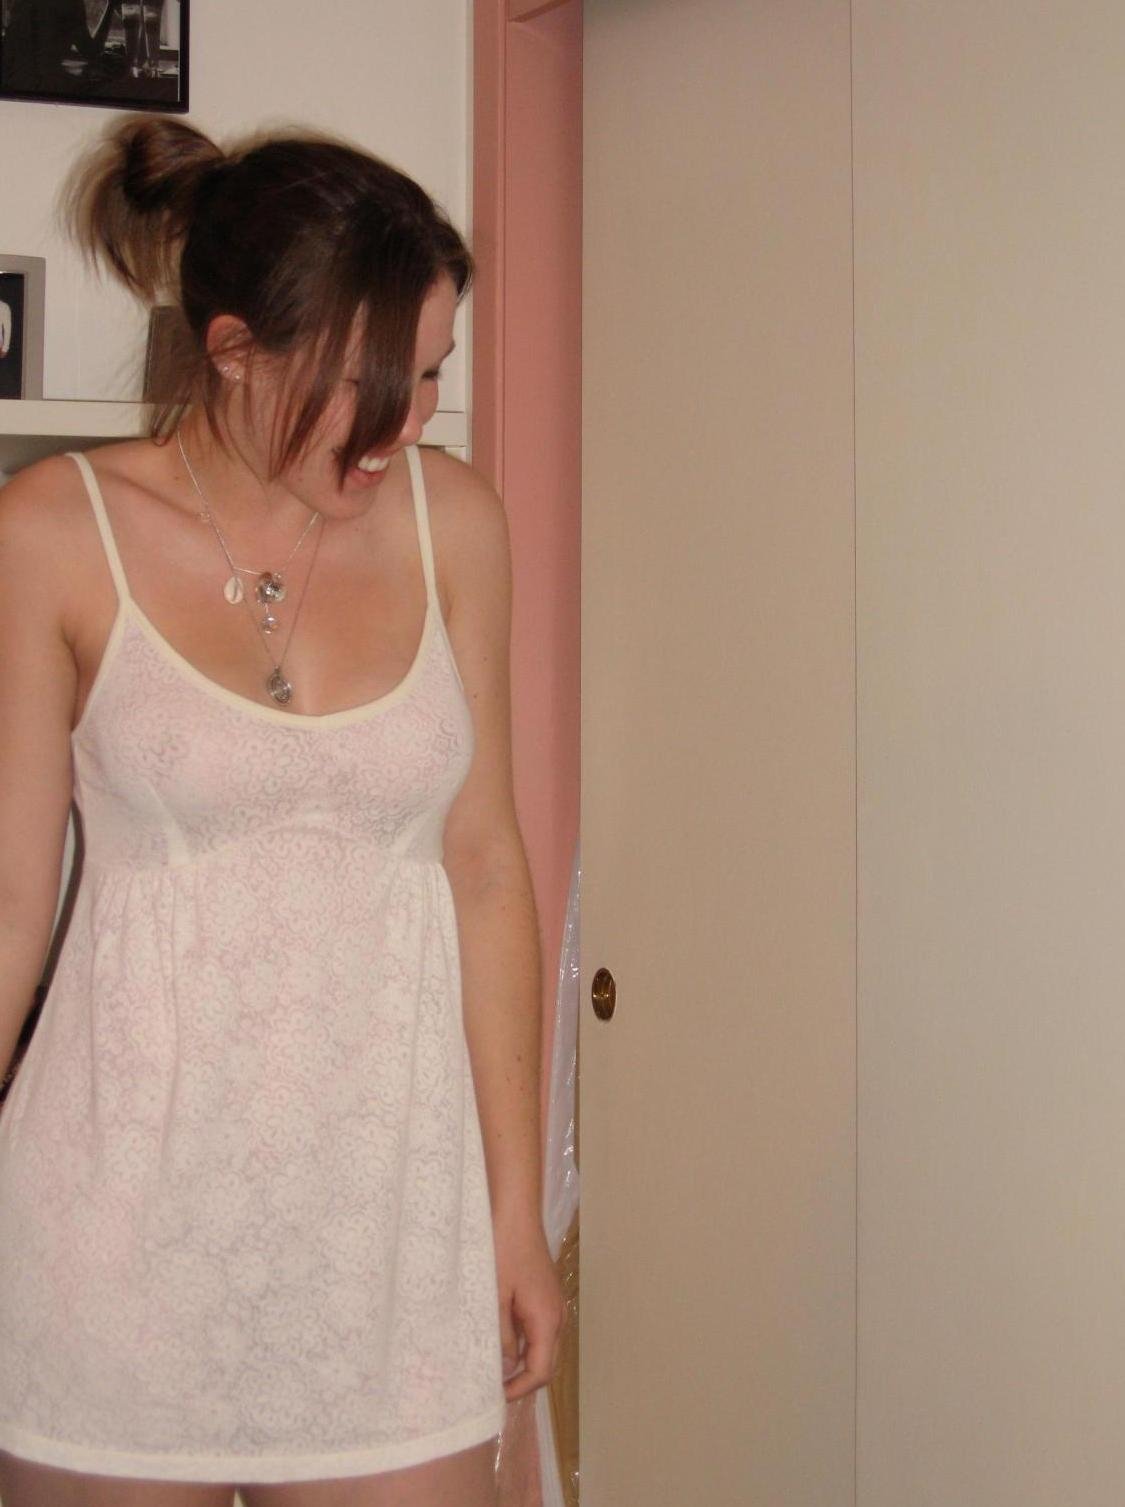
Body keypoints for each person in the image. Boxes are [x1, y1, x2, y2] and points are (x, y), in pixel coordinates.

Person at [0, 116, 563, 1507]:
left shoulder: (454, 523)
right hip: (111, 1234)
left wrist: (517, 1218)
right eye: (372, 385)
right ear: (235, 349)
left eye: (432, 375)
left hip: (391, 1240)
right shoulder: (53, 531)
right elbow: (9, 908)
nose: (409, 424)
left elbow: (487, 867)